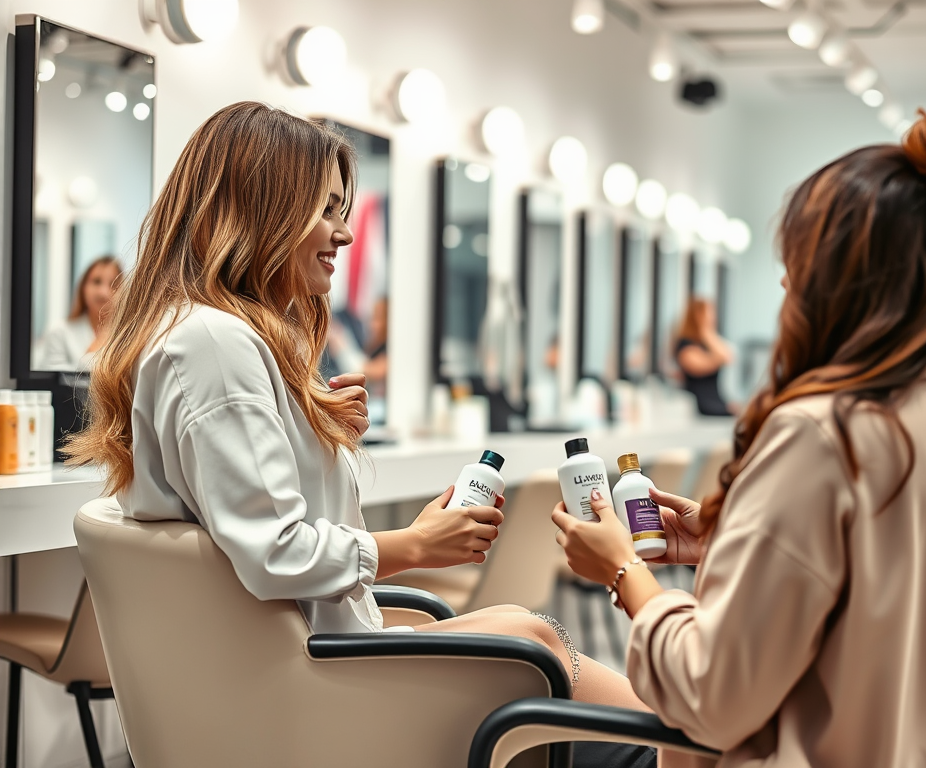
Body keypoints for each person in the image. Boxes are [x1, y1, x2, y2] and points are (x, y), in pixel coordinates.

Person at [64, 103, 653, 768]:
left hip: (309, 668)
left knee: (538, 636)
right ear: (258, 212)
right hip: (309, 695)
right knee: (540, 648)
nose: (344, 234)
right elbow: (275, 554)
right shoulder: (212, 342)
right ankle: (685, 740)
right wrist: (413, 545)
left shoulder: (217, 337)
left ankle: (682, 738)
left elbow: (252, 519)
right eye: (326, 211)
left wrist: (310, 429)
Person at [553, 110, 926, 767]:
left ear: (842, 279)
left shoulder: (824, 433)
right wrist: (725, 544)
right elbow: (891, 592)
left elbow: (712, 695)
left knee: (520, 719)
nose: (783, 282)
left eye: (796, 261)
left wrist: (627, 573)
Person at [38, 255, 122, 371]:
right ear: (83, 287)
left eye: (114, 284)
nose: (103, 292)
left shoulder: (128, 334)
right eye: (96, 282)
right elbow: (53, 379)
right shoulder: (59, 331)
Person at [674, 299, 733, 417]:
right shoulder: (686, 345)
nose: (713, 317)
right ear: (697, 315)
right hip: (701, 406)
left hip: (717, 401)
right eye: (709, 313)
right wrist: (705, 330)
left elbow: (728, 357)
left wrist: (707, 333)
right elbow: (719, 359)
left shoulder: (705, 343)